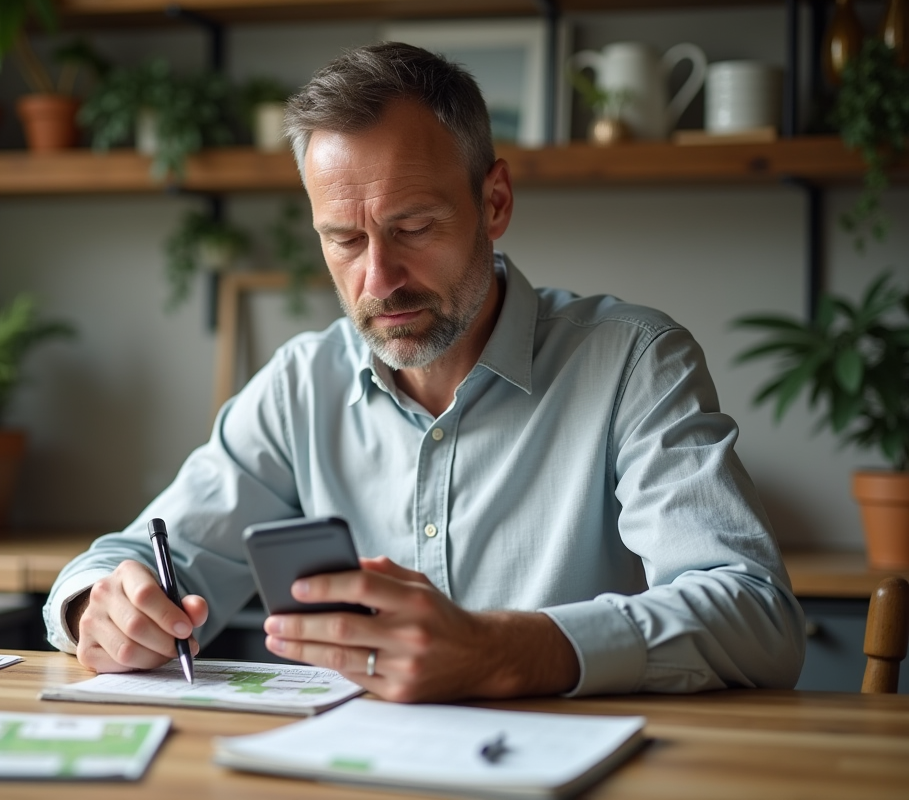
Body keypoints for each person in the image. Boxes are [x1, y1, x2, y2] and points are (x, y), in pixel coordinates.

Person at [44, 42, 805, 702]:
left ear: (495, 200)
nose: (379, 279)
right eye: (343, 239)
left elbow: (755, 618)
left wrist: (505, 651)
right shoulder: (300, 387)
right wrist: (100, 610)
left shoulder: (633, 363)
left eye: (413, 228)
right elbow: (129, 560)